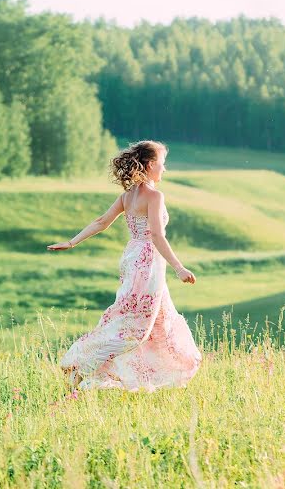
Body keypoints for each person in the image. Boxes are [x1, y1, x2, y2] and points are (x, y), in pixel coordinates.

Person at [47, 140, 202, 392]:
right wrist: (179, 268)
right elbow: (157, 236)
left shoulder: (127, 196)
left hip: (132, 258)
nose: (164, 170)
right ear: (151, 165)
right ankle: (81, 361)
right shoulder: (154, 196)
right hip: (148, 261)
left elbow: (100, 222)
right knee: (138, 327)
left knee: (155, 320)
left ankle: (123, 374)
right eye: (162, 164)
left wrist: (72, 241)